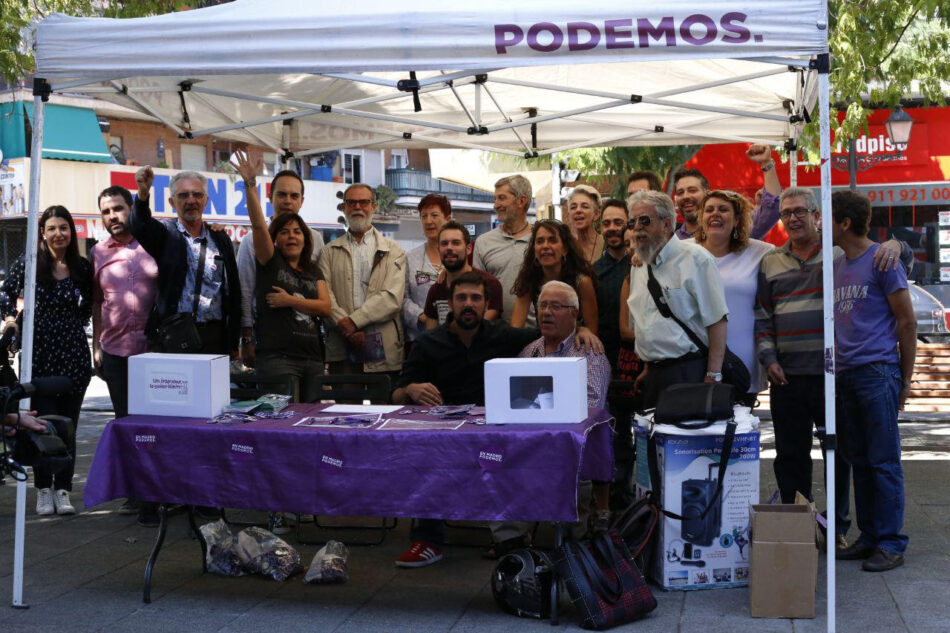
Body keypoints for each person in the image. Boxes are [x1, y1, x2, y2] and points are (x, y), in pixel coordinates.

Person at [392, 272, 604, 566]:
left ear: (486, 304)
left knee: (510, 459)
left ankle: (515, 540)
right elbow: (396, 396)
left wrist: (582, 329)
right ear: (450, 304)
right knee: (428, 454)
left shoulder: (504, 337)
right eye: (461, 298)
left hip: (495, 435)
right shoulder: (428, 343)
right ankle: (428, 539)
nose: (468, 304)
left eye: (476, 298)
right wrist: (410, 389)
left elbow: (552, 331)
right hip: (445, 436)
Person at [754, 187, 909, 549]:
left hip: (833, 375)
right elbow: (762, 315)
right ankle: (798, 530)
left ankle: (836, 528)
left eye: (800, 211)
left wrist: (897, 244)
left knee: (841, 455)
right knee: (790, 457)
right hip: (787, 375)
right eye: (786, 213)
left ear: (816, 216)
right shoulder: (771, 261)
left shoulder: (838, 252)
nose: (792, 218)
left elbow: (888, 260)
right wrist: (769, 358)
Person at [830, 191, 915, 572]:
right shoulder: (837, 265)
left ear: (844, 223)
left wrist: (905, 379)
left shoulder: (883, 260)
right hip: (846, 375)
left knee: (883, 461)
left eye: (826, 218)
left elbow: (907, 321)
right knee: (860, 460)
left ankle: (892, 542)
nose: (820, 225)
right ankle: (870, 536)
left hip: (877, 371)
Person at [0, 206, 92, 515]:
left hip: (74, 357)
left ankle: (63, 490)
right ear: (42, 232)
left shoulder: (82, 267)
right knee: (41, 423)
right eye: (51, 228)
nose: (58, 234)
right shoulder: (28, 264)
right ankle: (42, 490)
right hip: (39, 355)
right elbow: (5, 296)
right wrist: (13, 319)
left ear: (71, 231)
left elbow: (89, 306)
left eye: (63, 227)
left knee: (68, 426)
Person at [233, 151, 331, 402]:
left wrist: (291, 301)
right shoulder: (260, 248)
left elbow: (324, 306)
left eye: (294, 195)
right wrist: (246, 338)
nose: (287, 200)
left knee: (311, 420)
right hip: (274, 351)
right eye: (281, 194)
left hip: (312, 354)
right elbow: (244, 291)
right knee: (281, 420)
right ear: (270, 196)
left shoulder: (316, 247)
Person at [518, 280, 612, 529]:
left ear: (574, 313)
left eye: (556, 306)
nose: (547, 312)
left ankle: (573, 545)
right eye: (543, 306)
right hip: (530, 443)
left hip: (571, 442)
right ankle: (513, 539)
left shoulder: (589, 353)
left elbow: (592, 407)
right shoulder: (529, 352)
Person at [91, 185, 159, 525]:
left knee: (158, 425)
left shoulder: (154, 241)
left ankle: (159, 490)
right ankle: (136, 492)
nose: (113, 217)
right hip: (116, 351)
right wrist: (96, 347)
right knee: (127, 423)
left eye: (118, 208)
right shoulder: (98, 252)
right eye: (106, 212)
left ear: (131, 208)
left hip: (155, 352)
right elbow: (95, 302)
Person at [625, 191, 728, 408]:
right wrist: (648, 366)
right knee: (653, 440)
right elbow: (646, 322)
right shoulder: (639, 265)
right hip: (652, 375)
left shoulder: (696, 259)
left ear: (666, 223)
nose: (636, 227)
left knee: (685, 440)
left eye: (645, 220)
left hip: (690, 371)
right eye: (632, 222)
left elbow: (717, 321)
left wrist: (713, 375)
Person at [131, 166, 241, 356]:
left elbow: (233, 290)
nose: (191, 200)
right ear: (172, 202)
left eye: (197, 194)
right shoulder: (165, 233)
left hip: (215, 336)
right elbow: (139, 225)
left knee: (212, 387)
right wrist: (143, 193)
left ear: (206, 200)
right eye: (183, 196)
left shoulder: (220, 238)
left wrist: (235, 339)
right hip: (176, 335)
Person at [690, 190, 774, 403]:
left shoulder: (762, 252)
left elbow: (796, 252)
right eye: (709, 210)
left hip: (741, 364)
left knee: (738, 432)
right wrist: (637, 257)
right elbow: (652, 257)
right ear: (701, 218)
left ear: (737, 220)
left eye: (723, 209)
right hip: (692, 361)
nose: (715, 214)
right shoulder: (681, 251)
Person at [320, 183, 406, 378]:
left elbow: (392, 298)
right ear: (344, 208)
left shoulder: (394, 251)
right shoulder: (328, 251)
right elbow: (325, 296)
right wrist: (347, 327)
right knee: (345, 406)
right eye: (351, 202)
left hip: (383, 348)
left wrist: (353, 322)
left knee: (384, 407)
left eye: (363, 202)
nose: (357, 207)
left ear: (374, 207)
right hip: (342, 346)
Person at [672, 144, 781, 241]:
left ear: (707, 194)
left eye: (692, 190)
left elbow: (772, 208)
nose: (685, 196)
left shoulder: (735, 231)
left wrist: (766, 163)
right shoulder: (672, 241)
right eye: (680, 192)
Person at [510, 219, 598, 334]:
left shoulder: (582, 282)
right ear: (534, 250)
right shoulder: (529, 280)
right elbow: (515, 329)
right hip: (543, 345)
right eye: (540, 241)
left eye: (552, 240)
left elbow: (592, 331)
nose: (545, 246)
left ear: (565, 250)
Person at [473, 175, 534, 326]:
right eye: (495, 199)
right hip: (495, 335)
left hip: (537, 334)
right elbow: (476, 289)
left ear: (521, 201)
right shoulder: (483, 242)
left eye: (501, 198)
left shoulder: (540, 240)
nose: (496, 205)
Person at [422, 221, 503, 327]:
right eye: (444, 243)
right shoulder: (435, 290)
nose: (449, 248)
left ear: (468, 249)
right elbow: (431, 337)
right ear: (439, 250)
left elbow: (477, 330)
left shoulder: (490, 284)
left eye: (456, 243)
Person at [403, 194, 451, 344]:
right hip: (420, 339)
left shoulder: (459, 256)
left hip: (456, 337)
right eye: (424, 216)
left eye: (434, 215)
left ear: (447, 219)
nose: (429, 221)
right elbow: (403, 298)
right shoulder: (410, 258)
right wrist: (422, 315)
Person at [593, 199, 630, 369]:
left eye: (618, 222)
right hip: (603, 357)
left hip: (637, 355)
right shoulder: (593, 272)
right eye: (606, 223)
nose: (612, 228)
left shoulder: (642, 266)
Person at [567, 185, 604, 264]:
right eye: (573, 207)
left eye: (585, 206)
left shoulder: (607, 246)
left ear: (596, 214)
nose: (578, 210)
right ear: (569, 215)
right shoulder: (566, 249)